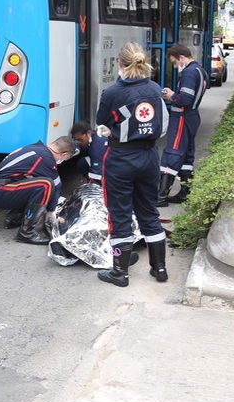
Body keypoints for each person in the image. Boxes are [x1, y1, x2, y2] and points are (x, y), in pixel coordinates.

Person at [95, 41, 169, 287]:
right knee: (149, 211)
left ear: (119, 62)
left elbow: (102, 122)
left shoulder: (113, 93)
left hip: (120, 159)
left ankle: (120, 272)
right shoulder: (155, 88)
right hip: (149, 157)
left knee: (119, 215)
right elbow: (163, 123)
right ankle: (159, 268)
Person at [0, 136, 78, 245]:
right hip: (0, 192)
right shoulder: (45, 158)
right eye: (66, 157)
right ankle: (26, 233)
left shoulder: (36, 148)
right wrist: (51, 211)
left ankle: (14, 219)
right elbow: (57, 185)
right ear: (63, 154)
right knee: (45, 184)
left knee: (34, 182)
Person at [157, 43, 208, 206]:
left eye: (174, 62)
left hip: (182, 116)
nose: (175, 66)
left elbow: (184, 99)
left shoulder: (189, 73)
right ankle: (184, 193)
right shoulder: (200, 70)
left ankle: (161, 195)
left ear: (182, 57)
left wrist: (172, 95)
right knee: (186, 154)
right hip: (192, 116)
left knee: (173, 152)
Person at [71, 121, 108, 186]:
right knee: (82, 163)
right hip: (104, 159)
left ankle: (102, 185)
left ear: (88, 133)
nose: (80, 142)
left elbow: (96, 171)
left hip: (110, 164)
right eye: (78, 140)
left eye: (80, 139)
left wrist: (91, 189)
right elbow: (87, 147)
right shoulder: (94, 135)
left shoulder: (96, 147)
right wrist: (78, 149)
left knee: (96, 173)